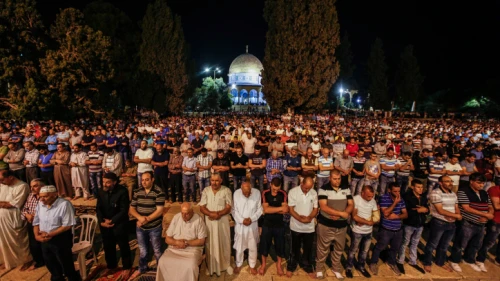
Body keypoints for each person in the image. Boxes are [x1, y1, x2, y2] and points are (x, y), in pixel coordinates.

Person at [33, 185, 80, 281]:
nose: (42, 199)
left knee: (66, 266)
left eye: (45, 196)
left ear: (55, 195)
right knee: (52, 266)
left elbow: (68, 225)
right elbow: (36, 221)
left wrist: (50, 234)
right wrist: (36, 235)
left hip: (60, 239)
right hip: (44, 240)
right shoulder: (40, 204)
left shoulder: (64, 204)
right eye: (40, 196)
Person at [449, 173, 494, 273]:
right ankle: (454, 260)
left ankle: (468, 260)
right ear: (471, 181)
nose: (481, 185)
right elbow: (466, 208)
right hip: (468, 222)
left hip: (482, 224)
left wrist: (489, 214)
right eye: (479, 183)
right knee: (461, 243)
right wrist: (486, 215)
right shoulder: (463, 191)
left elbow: (490, 205)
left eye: (482, 183)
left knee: (475, 244)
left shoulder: (484, 193)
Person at [315, 170, 354, 279]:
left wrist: (343, 214)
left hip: (341, 225)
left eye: (339, 179)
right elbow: (323, 207)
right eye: (335, 179)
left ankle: (336, 269)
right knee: (322, 248)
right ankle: (319, 269)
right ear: (330, 178)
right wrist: (341, 213)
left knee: (339, 249)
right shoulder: (323, 189)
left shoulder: (346, 189)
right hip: (326, 224)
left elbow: (351, 204)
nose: (337, 181)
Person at [156, 202, 207, 281]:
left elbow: (202, 241)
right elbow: (167, 239)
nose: (183, 216)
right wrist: (177, 242)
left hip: (192, 249)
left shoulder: (198, 219)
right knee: (162, 261)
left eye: (186, 214)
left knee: (190, 265)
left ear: (192, 212)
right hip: (174, 249)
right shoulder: (176, 217)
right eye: (182, 213)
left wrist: (186, 243)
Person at [129, 171, 165, 279]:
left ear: (152, 179)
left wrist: (147, 219)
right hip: (140, 227)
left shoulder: (159, 192)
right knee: (143, 250)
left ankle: (161, 270)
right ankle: (142, 268)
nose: (144, 182)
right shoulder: (137, 191)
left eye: (147, 179)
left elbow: (159, 210)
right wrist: (140, 218)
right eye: (143, 180)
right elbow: (131, 208)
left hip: (154, 227)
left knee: (157, 251)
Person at [421, 175, 462, 273]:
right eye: (447, 181)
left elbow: (456, 207)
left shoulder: (453, 194)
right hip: (439, 222)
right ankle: (427, 262)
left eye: (451, 181)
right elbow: (440, 210)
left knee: (445, 245)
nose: (450, 183)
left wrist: (456, 214)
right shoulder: (435, 193)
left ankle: (440, 262)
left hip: (451, 223)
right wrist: (456, 216)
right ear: (440, 183)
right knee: (432, 244)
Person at [96, 172, 132, 279]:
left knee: (123, 246)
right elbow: (98, 208)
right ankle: (111, 265)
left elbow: (124, 210)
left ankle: (127, 267)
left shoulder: (122, 191)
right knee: (108, 246)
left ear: (114, 182)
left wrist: (111, 221)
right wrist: (101, 221)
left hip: (119, 224)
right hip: (105, 225)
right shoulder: (101, 191)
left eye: (108, 182)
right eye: (103, 182)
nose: (105, 184)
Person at [369, 182, 408, 276]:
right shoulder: (384, 198)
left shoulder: (401, 199)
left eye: (399, 191)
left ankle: (391, 262)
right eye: (395, 191)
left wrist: (397, 216)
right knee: (379, 247)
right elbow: (385, 213)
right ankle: (373, 263)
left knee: (395, 248)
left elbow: (405, 214)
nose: (397, 193)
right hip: (386, 229)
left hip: (398, 229)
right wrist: (395, 203)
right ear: (389, 190)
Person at [199, 174, 233, 276]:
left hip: (222, 221)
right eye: (212, 180)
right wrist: (211, 214)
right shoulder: (206, 190)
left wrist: (218, 214)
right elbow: (202, 207)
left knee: (224, 241)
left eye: (217, 181)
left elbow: (228, 207)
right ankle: (211, 266)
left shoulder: (226, 190)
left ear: (221, 180)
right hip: (209, 222)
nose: (214, 183)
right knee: (210, 243)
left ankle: (226, 265)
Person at [286, 176, 318, 278]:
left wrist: (309, 218)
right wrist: (301, 219)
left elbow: (315, 209)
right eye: (306, 188)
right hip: (296, 226)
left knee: (308, 248)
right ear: (302, 184)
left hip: (309, 227)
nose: (307, 190)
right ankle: (292, 266)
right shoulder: (293, 192)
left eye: (310, 187)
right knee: (294, 248)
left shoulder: (314, 193)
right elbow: (291, 209)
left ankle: (307, 266)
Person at [0, 169, 31, 270]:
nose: (1, 182)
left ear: (11, 177)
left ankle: (24, 261)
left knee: (19, 240)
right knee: (4, 241)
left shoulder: (22, 186)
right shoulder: (4, 185)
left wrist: (4, 203)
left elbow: (11, 204)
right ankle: (9, 261)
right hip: (3, 219)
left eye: (2, 179)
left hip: (14, 218)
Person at [346, 185, 378, 278]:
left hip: (368, 231)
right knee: (353, 250)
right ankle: (349, 267)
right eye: (368, 196)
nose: (371, 198)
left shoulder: (373, 201)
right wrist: (368, 221)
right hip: (357, 231)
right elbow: (354, 216)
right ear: (362, 193)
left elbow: (377, 216)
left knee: (364, 251)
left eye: (372, 196)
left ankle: (361, 266)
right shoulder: (356, 199)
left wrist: (363, 221)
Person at [396, 179, 428, 274]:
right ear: (412, 187)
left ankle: (412, 261)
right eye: (418, 187)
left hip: (420, 224)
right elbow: (404, 211)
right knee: (405, 242)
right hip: (409, 224)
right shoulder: (407, 197)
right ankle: (400, 261)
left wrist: (425, 209)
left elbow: (427, 209)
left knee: (415, 243)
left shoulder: (423, 197)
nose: (420, 189)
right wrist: (417, 211)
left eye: (421, 187)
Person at [259, 178, 288, 276]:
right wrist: (279, 209)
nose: (276, 191)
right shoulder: (265, 193)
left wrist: (271, 209)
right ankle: (263, 264)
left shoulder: (283, 193)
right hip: (267, 223)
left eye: (278, 189)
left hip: (279, 224)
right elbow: (265, 210)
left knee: (280, 245)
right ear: (270, 185)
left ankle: (279, 264)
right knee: (264, 245)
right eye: (274, 189)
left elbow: (285, 210)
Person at [232, 181, 262, 275]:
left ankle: (252, 265)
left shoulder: (257, 193)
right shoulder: (236, 193)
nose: (247, 194)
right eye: (244, 193)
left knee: (253, 247)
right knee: (239, 247)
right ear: (241, 189)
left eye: (248, 192)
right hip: (240, 225)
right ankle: (238, 264)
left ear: (251, 188)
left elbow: (260, 209)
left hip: (252, 225)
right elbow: (234, 210)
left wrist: (252, 219)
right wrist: (242, 220)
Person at [20, 178, 45, 271]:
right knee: (33, 245)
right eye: (31, 186)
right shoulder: (30, 196)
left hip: (43, 224)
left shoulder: (47, 196)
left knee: (44, 244)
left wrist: (34, 216)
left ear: (42, 186)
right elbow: (24, 208)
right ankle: (39, 262)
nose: (32, 189)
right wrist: (27, 215)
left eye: (35, 186)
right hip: (31, 223)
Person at [476, 179, 500, 270]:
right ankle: (480, 260)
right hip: (496, 220)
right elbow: (496, 206)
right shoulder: (494, 189)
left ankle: (498, 260)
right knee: (489, 242)